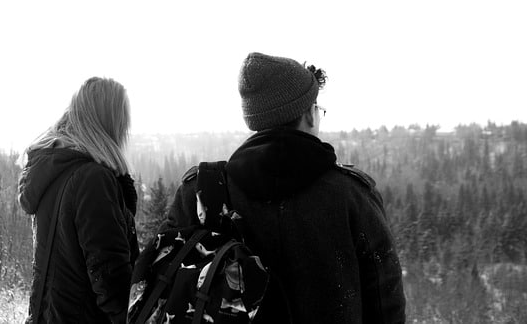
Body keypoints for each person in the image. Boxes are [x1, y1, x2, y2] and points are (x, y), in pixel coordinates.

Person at [162, 52, 406, 323]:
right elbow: (386, 305)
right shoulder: (352, 196)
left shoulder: (200, 193)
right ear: (309, 114)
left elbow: (163, 285)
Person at [18, 77, 139, 324]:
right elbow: (112, 283)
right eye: (122, 121)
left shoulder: (56, 171)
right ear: (110, 123)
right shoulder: (92, 180)